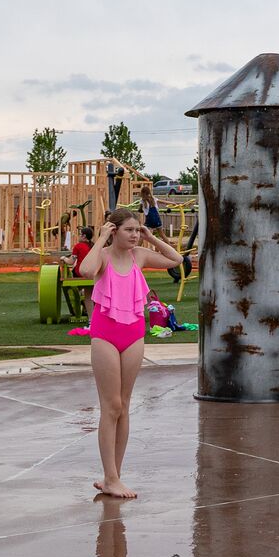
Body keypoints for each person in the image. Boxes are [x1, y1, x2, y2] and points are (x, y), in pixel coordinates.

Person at [77, 208, 183, 499]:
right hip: (105, 334)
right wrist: (101, 239)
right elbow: (85, 271)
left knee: (123, 405)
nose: (135, 235)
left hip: (134, 334)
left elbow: (176, 259)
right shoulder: (103, 256)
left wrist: (152, 237)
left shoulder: (140, 256)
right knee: (111, 406)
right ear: (114, 230)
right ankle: (110, 477)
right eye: (130, 230)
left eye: (138, 230)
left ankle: (114, 477)